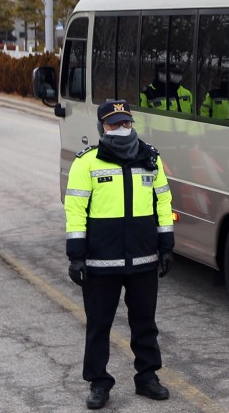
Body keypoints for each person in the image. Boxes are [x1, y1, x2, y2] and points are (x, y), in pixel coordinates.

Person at [65, 100, 174, 409]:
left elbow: (163, 203)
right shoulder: (86, 163)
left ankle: (147, 378)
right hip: (101, 262)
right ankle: (99, 383)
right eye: (114, 124)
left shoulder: (150, 159)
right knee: (99, 325)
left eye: (126, 122)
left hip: (143, 259)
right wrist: (76, 255)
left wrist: (166, 246)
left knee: (145, 323)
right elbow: (75, 210)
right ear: (102, 128)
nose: (122, 129)